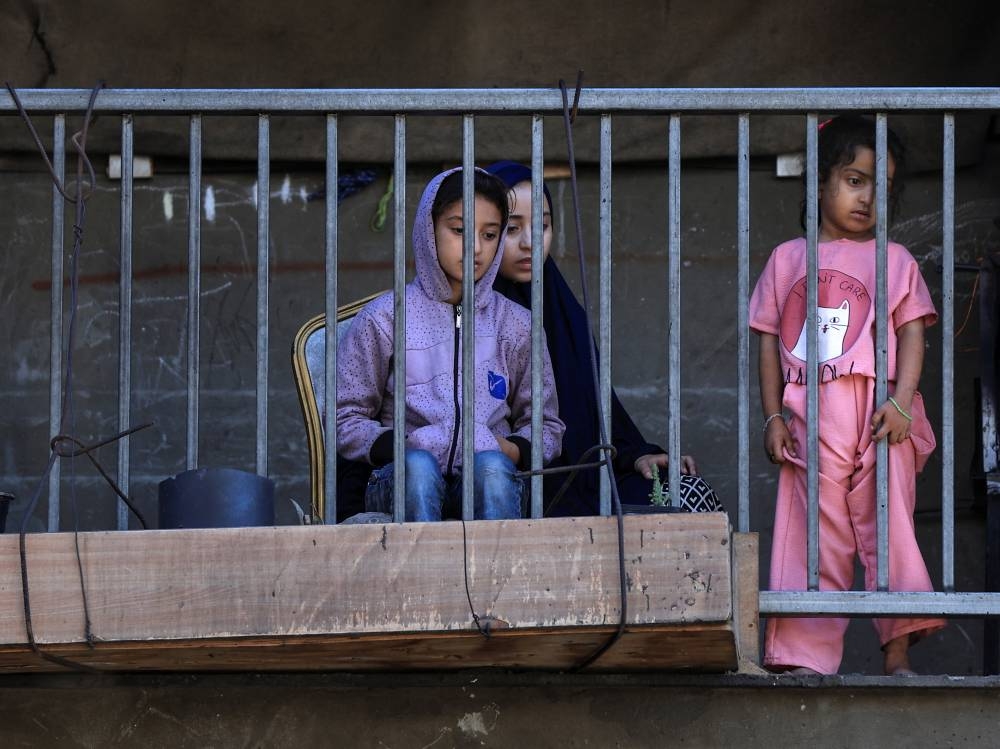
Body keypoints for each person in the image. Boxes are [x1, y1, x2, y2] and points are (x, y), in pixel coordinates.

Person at [749, 115, 945, 676]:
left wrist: (903, 402)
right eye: (854, 180)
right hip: (811, 417)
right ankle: (801, 661)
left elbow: (911, 332)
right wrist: (771, 417)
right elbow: (766, 342)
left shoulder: (895, 258)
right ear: (819, 184)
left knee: (891, 528)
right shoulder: (788, 258)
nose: (867, 198)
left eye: (880, 187)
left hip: (881, 413)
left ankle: (897, 654)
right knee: (813, 537)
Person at [484, 161, 719, 517]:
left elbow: (597, 408)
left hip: (585, 479)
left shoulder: (564, 312)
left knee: (687, 494)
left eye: (543, 225)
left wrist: (634, 453)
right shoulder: (465, 312)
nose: (530, 242)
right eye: (512, 228)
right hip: (507, 484)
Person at [336, 167, 564, 522]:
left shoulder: (517, 324)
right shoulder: (385, 318)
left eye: (490, 235)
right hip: (403, 481)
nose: (475, 247)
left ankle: (495, 578)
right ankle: (418, 576)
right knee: (419, 470)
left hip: (487, 482)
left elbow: (546, 425)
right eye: (459, 230)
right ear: (430, 228)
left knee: (490, 468)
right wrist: (403, 446)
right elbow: (344, 419)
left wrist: (511, 450)